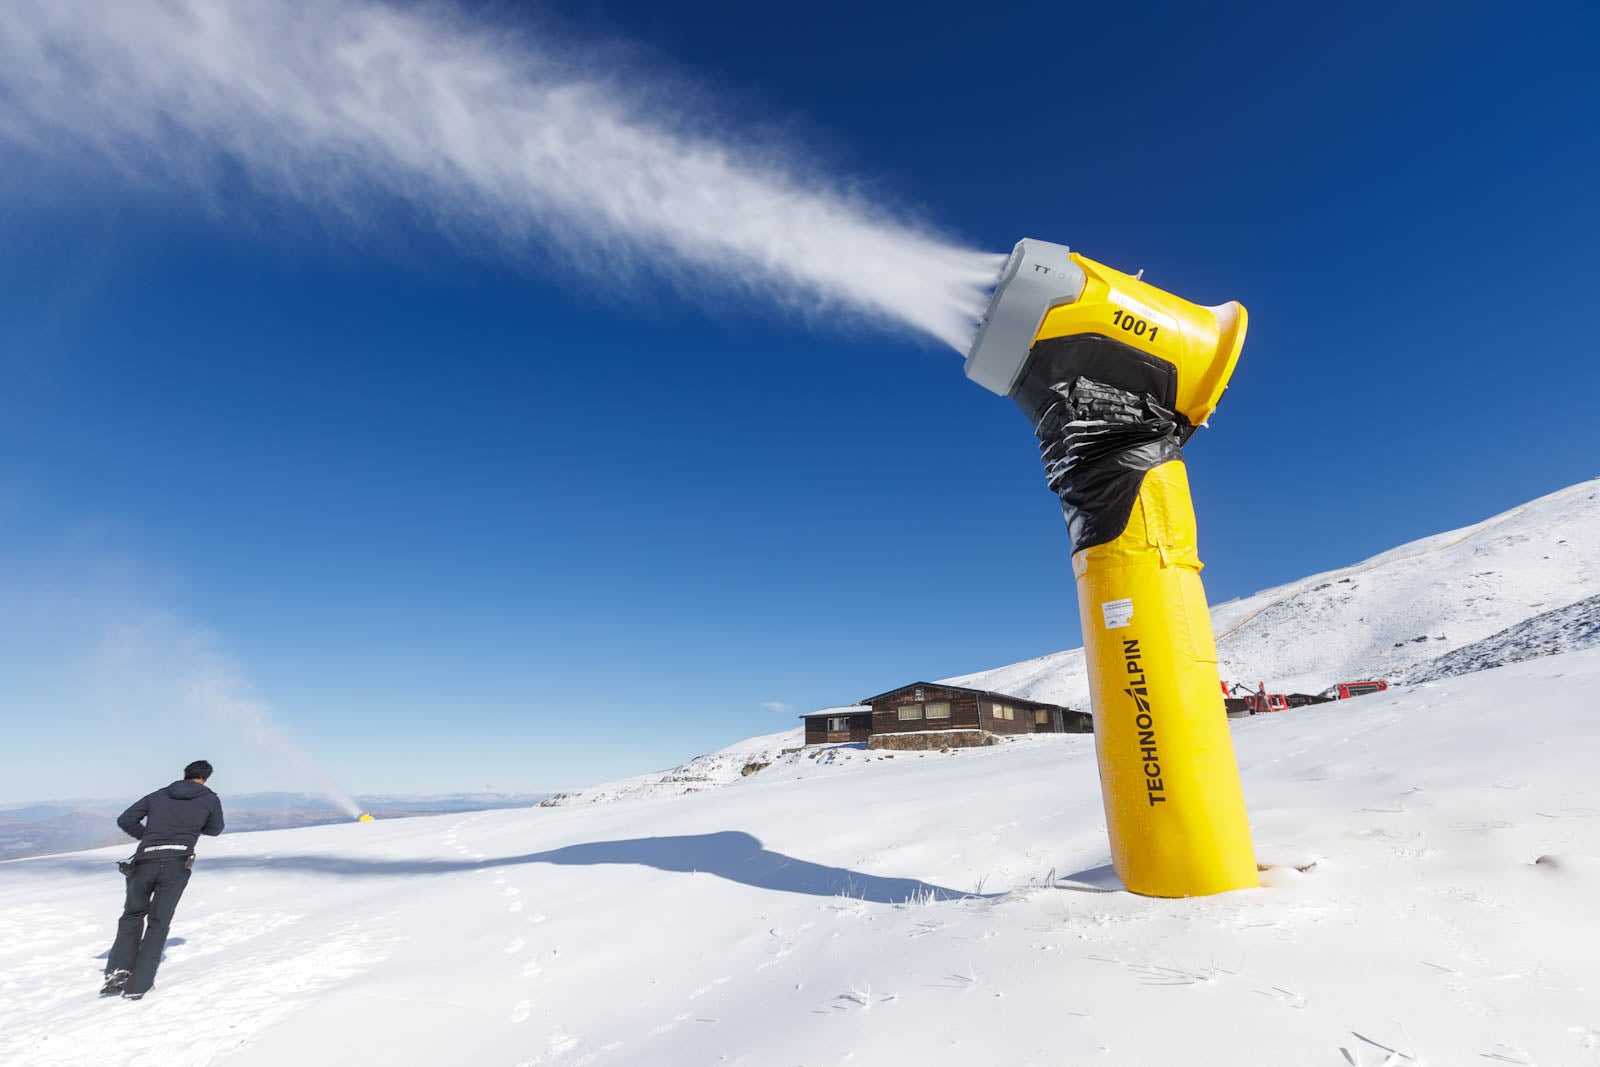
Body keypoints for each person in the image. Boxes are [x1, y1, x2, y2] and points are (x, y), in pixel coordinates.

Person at [101, 760, 225, 1000]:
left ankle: (117, 972)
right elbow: (215, 829)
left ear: (184, 774)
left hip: (144, 861)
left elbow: (125, 820)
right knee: (159, 921)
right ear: (206, 778)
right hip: (177, 863)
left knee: (132, 915)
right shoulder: (210, 799)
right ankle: (138, 984)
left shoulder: (158, 795)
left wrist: (149, 837)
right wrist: (189, 829)